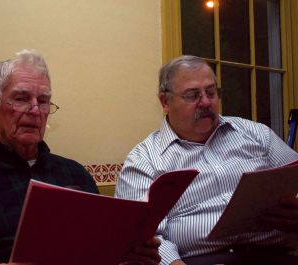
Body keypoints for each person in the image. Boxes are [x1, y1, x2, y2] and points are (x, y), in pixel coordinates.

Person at [0, 49, 161, 265]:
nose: (35, 110)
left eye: (44, 100)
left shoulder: (75, 174)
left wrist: (129, 258)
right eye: (21, 98)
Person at [115, 55, 298, 265]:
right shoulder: (144, 160)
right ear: (165, 102)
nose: (206, 102)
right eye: (192, 95)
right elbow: (148, 237)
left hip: (277, 255)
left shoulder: (256, 134)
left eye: (211, 92)